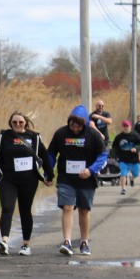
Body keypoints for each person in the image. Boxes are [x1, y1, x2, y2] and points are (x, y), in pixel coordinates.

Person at [0, 110, 53, 256]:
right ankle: (4, 242)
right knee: (7, 207)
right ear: (10, 123)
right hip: (8, 179)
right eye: (14, 122)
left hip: (28, 180)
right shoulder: (4, 136)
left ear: (25, 123)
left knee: (25, 210)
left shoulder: (34, 137)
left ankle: (26, 245)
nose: (17, 124)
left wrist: (49, 175)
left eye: (20, 122)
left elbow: (45, 156)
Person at [46, 104, 108, 256]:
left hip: (86, 178)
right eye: (72, 126)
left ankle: (84, 242)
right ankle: (66, 242)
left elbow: (103, 155)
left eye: (78, 127)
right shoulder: (61, 133)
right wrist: (48, 172)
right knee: (67, 207)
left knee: (83, 210)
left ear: (84, 123)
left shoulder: (93, 134)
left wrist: (91, 170)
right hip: (66, 178)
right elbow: (51, 153)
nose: (74, 129)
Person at [112, 120, 140, 196]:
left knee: (136, 173)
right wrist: (114, 156)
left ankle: (132, 178)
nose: (126, 128)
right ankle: (123, 188)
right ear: (122, 127)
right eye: (124, 126)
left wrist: (136, 148)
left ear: (130, 127)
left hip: (134, 160)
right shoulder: (119, 137)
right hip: (123, 159)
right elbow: (114, 147)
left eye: (127, 126)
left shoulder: (135, 135)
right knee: (123, 174)